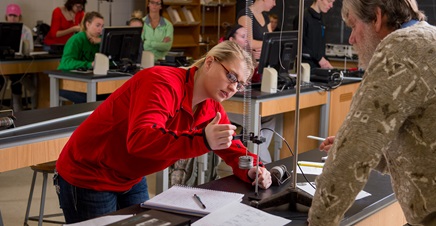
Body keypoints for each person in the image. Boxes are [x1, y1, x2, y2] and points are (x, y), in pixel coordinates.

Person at [309, 0, 436, 225]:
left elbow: (354, 152)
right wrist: (374, 156)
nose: (351, 39)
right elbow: (434, 142)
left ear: (377, 18)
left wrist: (319, 221)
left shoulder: (399, 47)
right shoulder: (430, 38)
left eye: (353, 26)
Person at [54, 40, 272, 223]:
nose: (234, 87)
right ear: (209, 63)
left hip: (130, 175)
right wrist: (203, 140)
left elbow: (232, 146)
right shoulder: (161, 82)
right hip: (90, 173)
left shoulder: (211, 106)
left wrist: (253, 169)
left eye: (240, 84)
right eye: (231, 77)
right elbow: (140, 140)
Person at [222, 24, 276, 164]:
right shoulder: (226, 56)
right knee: (253, 121)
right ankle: (265, 163)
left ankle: (257, 155)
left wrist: (257, 62)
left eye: (248, 37)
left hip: (241, 101)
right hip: (226, 104)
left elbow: (254, 80)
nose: (247, 41)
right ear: (232, 40)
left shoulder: (246, 56)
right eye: (243, 37)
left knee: (270, 117)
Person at [57, 11, 104, 104]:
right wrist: (89, 64)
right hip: (68, 83)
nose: (100, 30)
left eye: (102, 26)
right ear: (88, 24)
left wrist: (102, 42)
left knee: (109, 96)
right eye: (97, 25)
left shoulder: (99, 40)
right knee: (92, 100)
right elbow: (66, 62)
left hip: (88, 82)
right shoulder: (77, 39)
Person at [1, 4, 36, 111]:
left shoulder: (26, 30)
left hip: (21, 66)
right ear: (6, 16)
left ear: (19, 17)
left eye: (15, 16)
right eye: (10, 15)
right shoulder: (1, 30)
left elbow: (30, 49)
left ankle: (18, 108)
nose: (12, 18)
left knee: (17, 77)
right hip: (5, 66)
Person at [293, 0, 334, 69]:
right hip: (306, 67)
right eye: (329, 1)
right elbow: (299, 45)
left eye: (333, 2)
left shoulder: (322, 19)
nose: (331, 5)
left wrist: (325, 61)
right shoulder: (303, 17)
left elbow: (319, 45)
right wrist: (319, 59)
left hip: (319, 67)